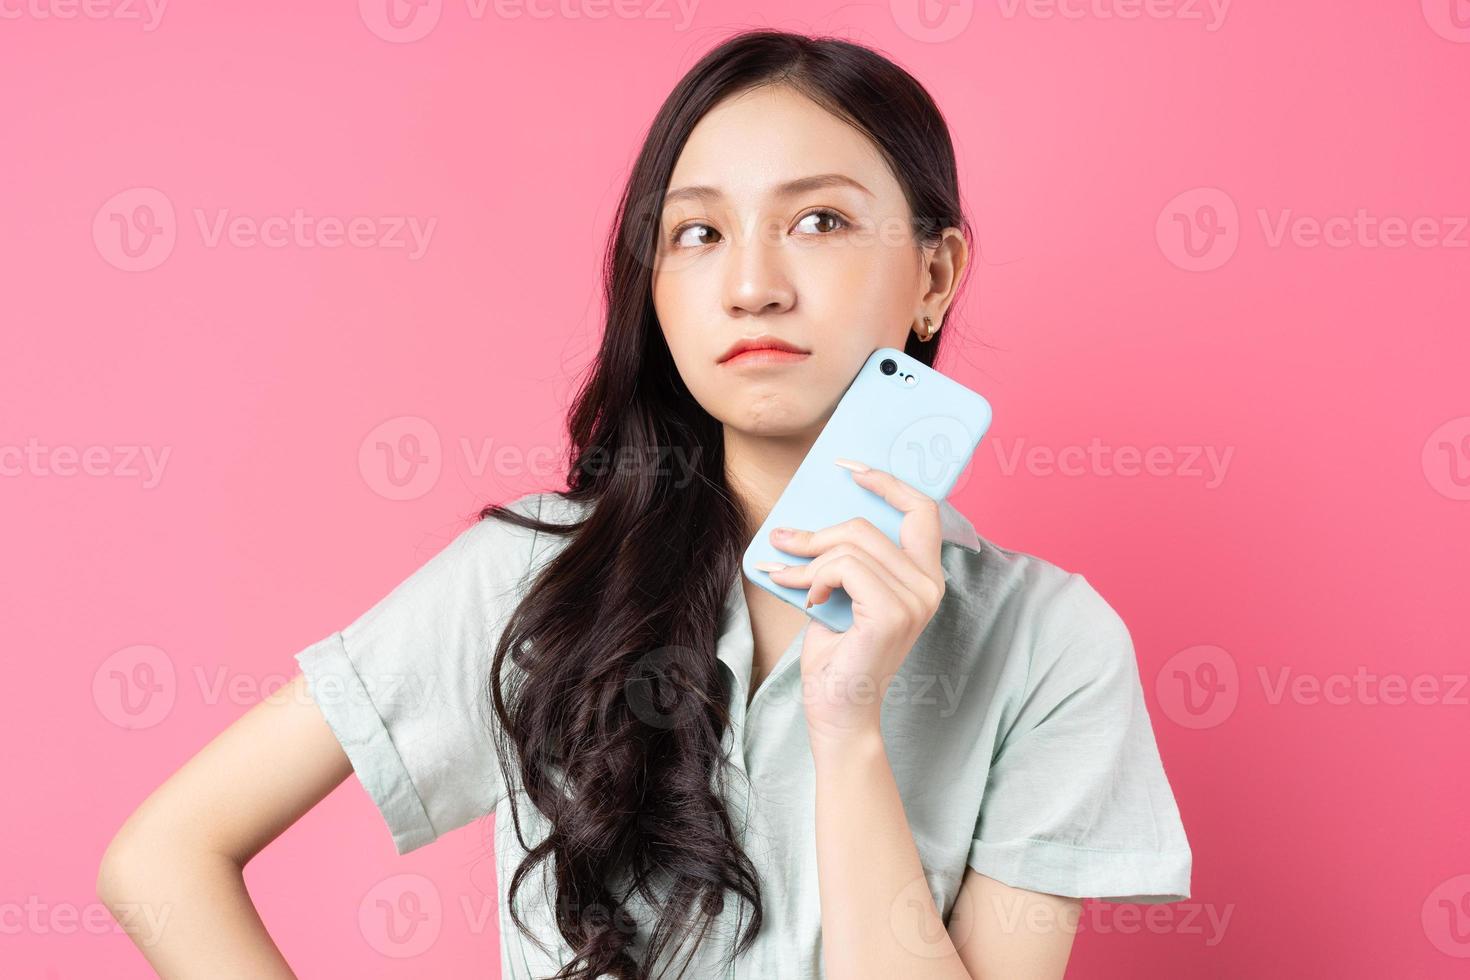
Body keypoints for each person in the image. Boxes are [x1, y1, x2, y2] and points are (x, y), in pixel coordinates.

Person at [97, 29, 1191, 980]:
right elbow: (162, 856)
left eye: (818, 222)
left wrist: (847, 726)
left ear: (936, 273)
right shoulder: (534, 579)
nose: (751, 283)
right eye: (699, 233)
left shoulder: (1052, 644)